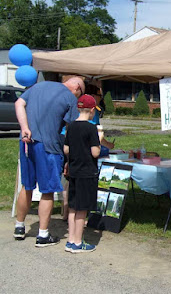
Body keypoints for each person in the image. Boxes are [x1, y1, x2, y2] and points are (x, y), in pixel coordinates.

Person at [13, 76, 84, 246]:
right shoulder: (69, 97)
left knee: (27, 186)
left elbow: (18, 104)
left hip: (26, 143)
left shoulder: (37, 86)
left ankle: (19, 226)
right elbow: (72, 128)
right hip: (49, 147)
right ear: (76, 88)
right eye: (79, 94)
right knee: (47, 190)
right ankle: (43, 235)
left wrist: (25, 128)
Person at [64, 94, 102, 253]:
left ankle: (70, 239)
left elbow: (66, 149)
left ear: (79, 108)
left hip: (73, 170)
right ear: (92, 110)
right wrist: (99, 140)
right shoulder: (92, 128)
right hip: (87, 172)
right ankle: (78, 242)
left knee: (73, 206)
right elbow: (95, 153)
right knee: (82, 208)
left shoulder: (70, 126)